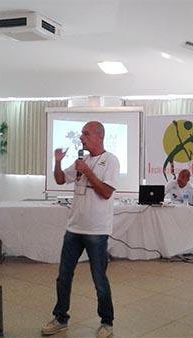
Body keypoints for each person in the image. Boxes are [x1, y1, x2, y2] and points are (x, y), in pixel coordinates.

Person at [42, 121, 119, 338]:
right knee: (64, 276)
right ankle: (60, 318)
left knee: (99, 279)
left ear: (99, 136)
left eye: (85, 133)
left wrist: (88, 172)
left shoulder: (110, 160)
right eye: (81, 133)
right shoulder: (80, 160)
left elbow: (105, 193)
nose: (81, 137)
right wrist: (57, 162)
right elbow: (59, 179)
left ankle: (107, 322)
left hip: (97, 231)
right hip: (74, 228)